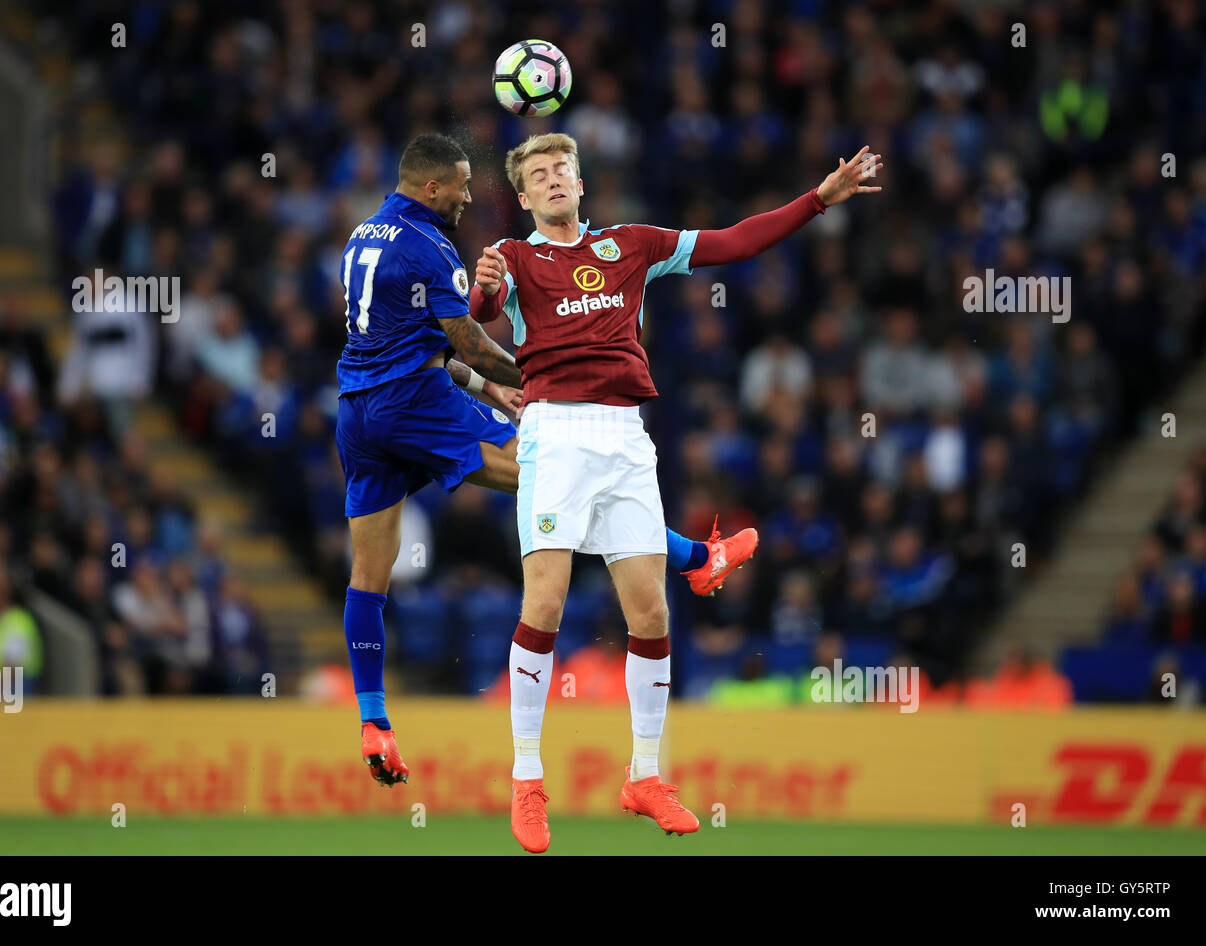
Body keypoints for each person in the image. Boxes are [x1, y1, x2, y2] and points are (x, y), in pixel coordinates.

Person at [472, 132, 882, 852]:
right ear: (526, 195)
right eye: (538, 174)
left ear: (579, 180)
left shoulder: (631, 244)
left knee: (652, 611)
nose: (554, 179)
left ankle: (646, 776)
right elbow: (479, 316)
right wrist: (483, 288)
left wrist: (817, 200)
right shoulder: (514, 257)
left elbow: (733, 243)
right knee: (544, 600)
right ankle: (529, 780)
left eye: (562, 167)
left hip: (626, 437)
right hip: (555, 432)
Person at [335, 134, 758, 789]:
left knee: (368, 580)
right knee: (552, 487)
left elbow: (418, 344)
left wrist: (485, 389)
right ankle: (697, 560)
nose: (470, 195)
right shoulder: (431, 247)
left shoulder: (365, 235)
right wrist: (530, 381)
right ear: (431, 189)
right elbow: (469, 341)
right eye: (460, 185)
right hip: (414, 405)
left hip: (358, 414)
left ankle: (374, 720)